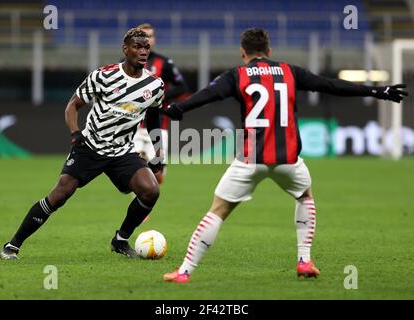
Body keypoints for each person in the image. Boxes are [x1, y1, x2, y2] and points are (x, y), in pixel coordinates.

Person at [162, 28, 408, 283]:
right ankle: (304, 261)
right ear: (269, 51)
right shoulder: (290, 71)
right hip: (288, 160)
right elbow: (330, 85)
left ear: (242, 52)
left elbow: (208, 94)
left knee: (217, 211)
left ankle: (184, 272)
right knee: (305, 197)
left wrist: (180, 107)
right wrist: (376, 91)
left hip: (250, 160)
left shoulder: (236, 74)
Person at [0, 28, 165, 260]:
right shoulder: (104, 76)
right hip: (91, 146)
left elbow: (154, 119)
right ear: (125, 49)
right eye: (137, 47)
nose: (143, 51)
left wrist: (158, 154)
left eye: (146, 47)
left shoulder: (155, 85)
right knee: (59, 195)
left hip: (122, 151)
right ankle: (12, 245)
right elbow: (72, 106)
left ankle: (120, 240)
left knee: (150, 191)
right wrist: (76, 134)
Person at [132, 23, 189, 184]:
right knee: (132, 170)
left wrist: (159, 96)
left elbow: (182, 87)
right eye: (143, 36)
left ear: (154, 39)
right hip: (132, 125)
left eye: (150, 36)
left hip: (157, 124)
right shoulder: (125, 63)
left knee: (158, 175)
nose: (147, 39)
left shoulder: (164, 63)